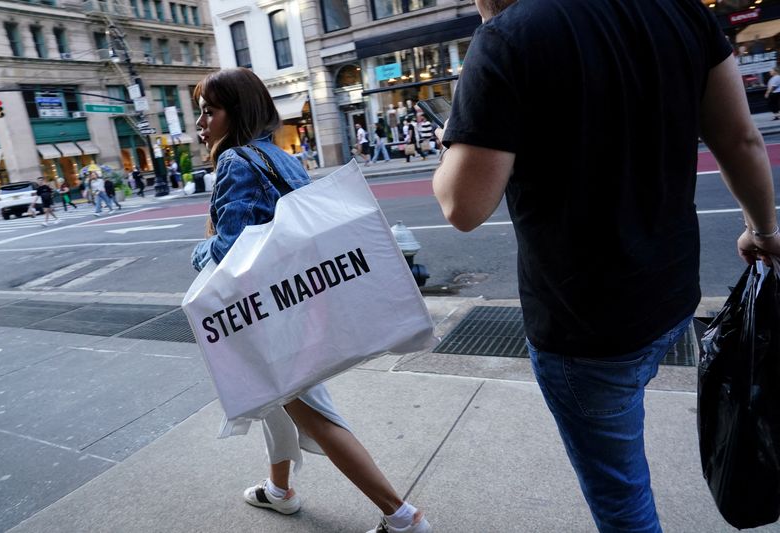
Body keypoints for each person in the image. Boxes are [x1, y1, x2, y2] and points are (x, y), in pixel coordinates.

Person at [432, 1, 780, 532]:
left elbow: (462, 206)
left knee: (621, 498)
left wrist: (453, 141)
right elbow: (740, 139)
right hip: (671, 294)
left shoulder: (507, 39)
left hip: (583, 328)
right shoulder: (681, 10)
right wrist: (764, 231)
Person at [190, 67, 431, 533]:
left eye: (209, 111)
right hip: (300, 304)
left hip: (274, 316)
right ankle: (279, 490)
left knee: (315, 414)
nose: (201, 123)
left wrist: (197, 251)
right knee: (273, 396)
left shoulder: (236, 161)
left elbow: (231, 248)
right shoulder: (280, 156)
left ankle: (403, 518)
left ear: (235, 113)